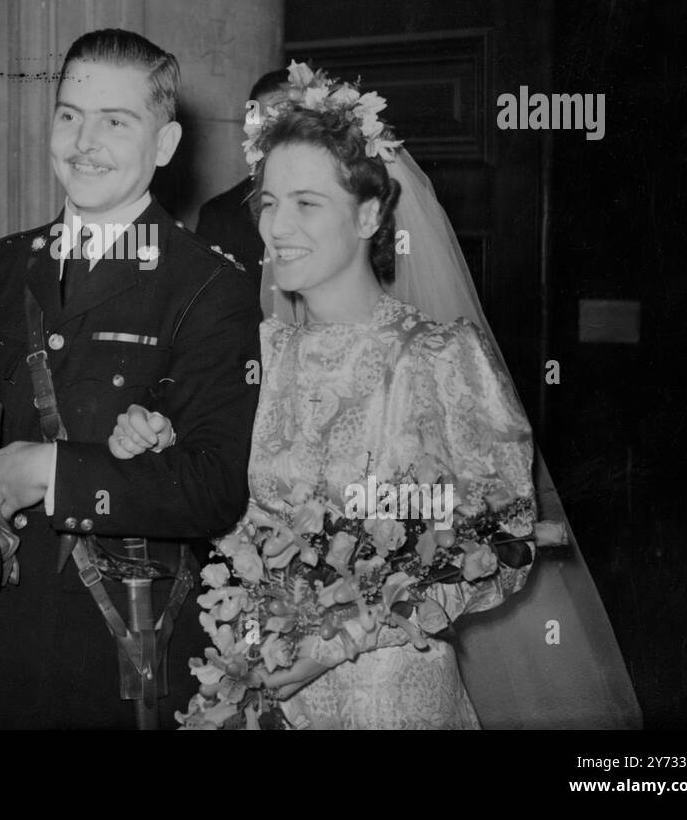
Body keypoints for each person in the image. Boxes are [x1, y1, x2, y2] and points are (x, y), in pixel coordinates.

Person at [111, 64, 642, 729]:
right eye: (269, 203)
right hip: (259, 692)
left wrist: (343, 637)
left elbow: (501, 542)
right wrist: (161, 446)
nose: (277, 227)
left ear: (366, 214)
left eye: (306, 203)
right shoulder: (255, 358)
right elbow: (212, 501)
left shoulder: (441, 357)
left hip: (389, 697)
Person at [0, 28, 261, 729]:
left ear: (163, 146)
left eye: (115, 121)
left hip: (112, 663)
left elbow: (217, 484)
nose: (83, 141)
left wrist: (54, 472)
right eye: (69, 115)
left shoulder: (208, 286)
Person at [194, 67, 290, 289]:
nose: (276, 135)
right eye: (266, 123)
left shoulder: (344, 199)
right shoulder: (221, 215)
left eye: (287, 121)